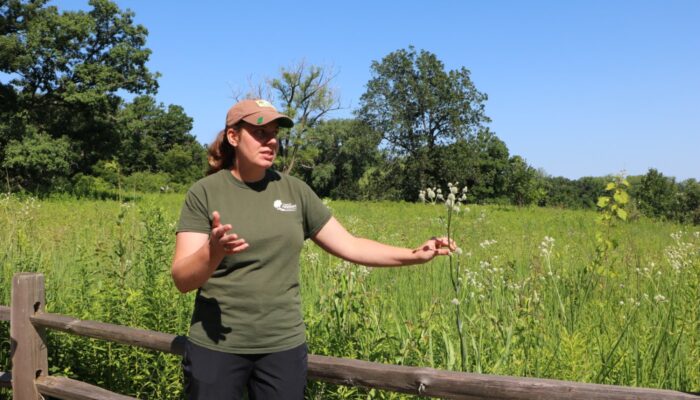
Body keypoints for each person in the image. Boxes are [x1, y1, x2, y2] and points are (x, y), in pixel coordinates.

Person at [171, 99, 456, 400]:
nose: (271, 141)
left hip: (281, 347)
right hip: (217, 348)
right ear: (233, 136)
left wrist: (414, 255)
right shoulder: (205, 193)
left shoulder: (295, 191)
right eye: (259, 132)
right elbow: (182, 279)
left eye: (275, 133)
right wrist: (213, 251)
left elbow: (350, 245)